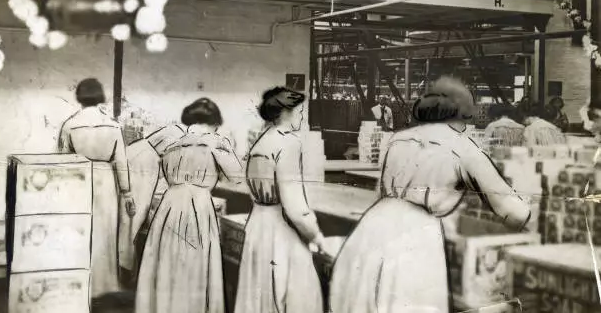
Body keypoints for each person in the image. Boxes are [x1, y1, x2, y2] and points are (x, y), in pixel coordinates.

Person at [329, 76, 530, 313]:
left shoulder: (396, 139)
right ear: (458, 116)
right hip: (414, 236)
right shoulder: (463, 147)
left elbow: (381, 190)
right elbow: (514, 212)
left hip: (372, 226)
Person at [135, 98, 243, 313]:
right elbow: (237, 177)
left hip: (170, 204)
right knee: (194, 264)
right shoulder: (216, 142)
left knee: (167, 260)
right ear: (215, 122)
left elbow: (163, 172)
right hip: (198, 204)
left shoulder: (173, 144)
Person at [234, 87, 326, 313]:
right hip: (281, 229)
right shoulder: (289, 142)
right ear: (287, 112)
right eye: (300, 111)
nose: (302, 117)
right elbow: (294, 205)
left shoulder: (261, 140)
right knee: (295, 297)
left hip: (257, 226)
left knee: (260, 298)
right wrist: (315, 235)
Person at [58, 78, 136, 300]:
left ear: (80, 96)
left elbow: (63, 162)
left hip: (78, 179)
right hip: (105, 181)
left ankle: (80, 284)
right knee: (105, 232)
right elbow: (121, 161)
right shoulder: (113, 125)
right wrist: (127, 192)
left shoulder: (69, 125)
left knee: (79, 230)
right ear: (100, 96)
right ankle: (104, 285)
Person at [118, 123, 186, 281]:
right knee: (133, 217)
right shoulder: (180, 133)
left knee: (126, 220)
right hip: (146, 164)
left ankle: (123, 268)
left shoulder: (175, 128)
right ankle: (125, 271)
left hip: (138, 156)